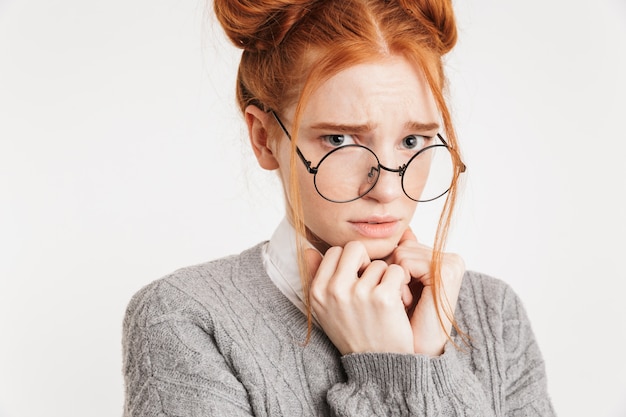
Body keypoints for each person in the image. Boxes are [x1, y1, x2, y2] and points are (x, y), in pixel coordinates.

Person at [122, 0, 555, 415]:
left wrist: (417, 362)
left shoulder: (493, 312)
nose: (386, 188)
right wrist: (391, 373)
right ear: (263, 137)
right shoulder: (188, 319)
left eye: (412, 141)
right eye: (339, 140)